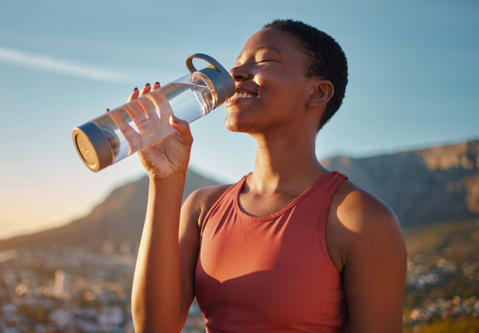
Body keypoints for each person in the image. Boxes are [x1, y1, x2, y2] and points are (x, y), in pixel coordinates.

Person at [130, 19, 407, 333]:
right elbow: (153, 328)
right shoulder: (203, 207)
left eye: (264, 61)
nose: (234, 75)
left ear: (317, 92)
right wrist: (164, 179)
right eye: (237, 65)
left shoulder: (361, 220)